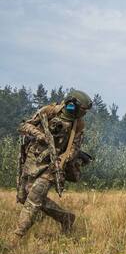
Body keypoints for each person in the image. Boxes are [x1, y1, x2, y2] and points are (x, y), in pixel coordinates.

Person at [13, 90, 93, 239]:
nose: (83, 114)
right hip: (34, 158)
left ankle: (17, 235)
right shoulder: (49, 110)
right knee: (24, 196)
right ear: (71, 105)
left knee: (34, 198)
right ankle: (65, 218)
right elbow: (25, 126)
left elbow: (74, 149)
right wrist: (41, 136)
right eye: (82, 110)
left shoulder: (79, 125)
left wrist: (63, 159)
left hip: (53, 165)